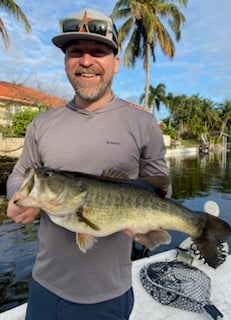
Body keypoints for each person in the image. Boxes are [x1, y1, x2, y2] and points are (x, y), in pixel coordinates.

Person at [7, 8, 171, 320]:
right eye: (75, 52)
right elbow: (20, 172)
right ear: (66, 61)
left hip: (108, 295)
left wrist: (147, 221)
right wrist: (16, 195)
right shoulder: (41, 124)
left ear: (116, 63)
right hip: (43, 288)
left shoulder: (143, 123)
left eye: (97, 51)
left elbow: (160, 185)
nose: (85, 61)